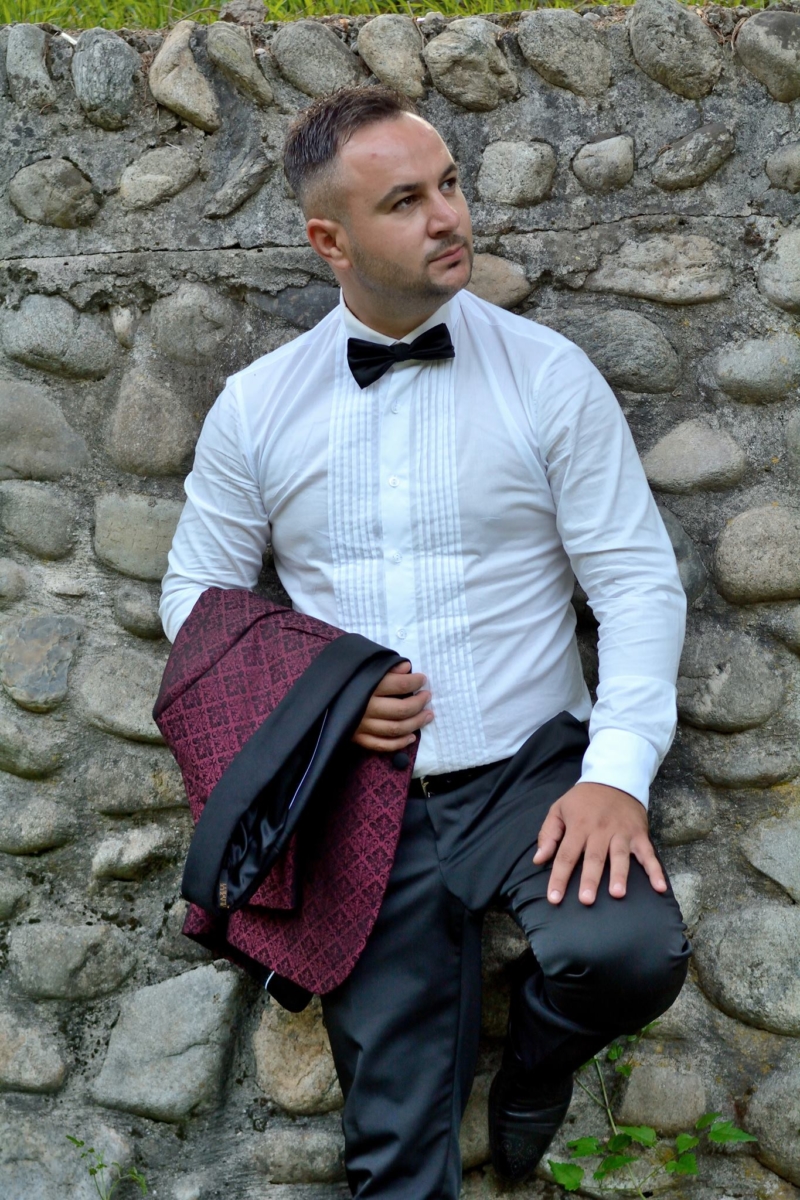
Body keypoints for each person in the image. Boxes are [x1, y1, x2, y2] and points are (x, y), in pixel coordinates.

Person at [160, 86, 690, 1199]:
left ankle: (533, 1074)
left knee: (627, 957)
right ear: (330, 241)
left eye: (448, 184)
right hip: (360, 796)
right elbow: (195, 597)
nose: (448, 216)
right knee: (395, 1152)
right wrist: (320, 694)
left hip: (532, 766)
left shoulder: (547, 375)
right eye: (405, 201)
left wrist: (616, 776)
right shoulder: (257, 406)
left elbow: (635, 582)